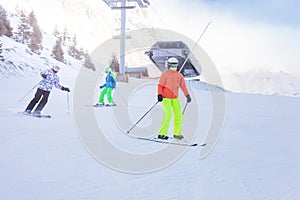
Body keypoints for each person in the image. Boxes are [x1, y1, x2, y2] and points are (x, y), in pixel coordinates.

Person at [157, 57, 191, 140]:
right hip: (166, 98)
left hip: (175, 98)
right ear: (168, 65)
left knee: (178, 115)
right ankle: (162, 134)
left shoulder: (179, 76)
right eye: (172, 65)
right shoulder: (165, 74)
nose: (174, 67)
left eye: (175, 65)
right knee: (168, 114)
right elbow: (160, 85)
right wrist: (160, 94)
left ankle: (177, 134)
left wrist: (187, 95)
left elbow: (183, 87)